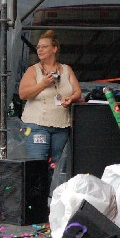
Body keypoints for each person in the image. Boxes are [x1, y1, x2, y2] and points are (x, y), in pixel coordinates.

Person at [19, 30, 82, 193]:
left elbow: (77, 92)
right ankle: (35, 202)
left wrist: (71, 99)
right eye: (38, 47)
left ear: (54, 49)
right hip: (37, 124)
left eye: (44, 47)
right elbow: (23, 94)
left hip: (60, 125)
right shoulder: (33, 70)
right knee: (38, 164)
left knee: (54, 165)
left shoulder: (66, 69)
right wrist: (43, 84)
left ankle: (47, 200)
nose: (39, 50)